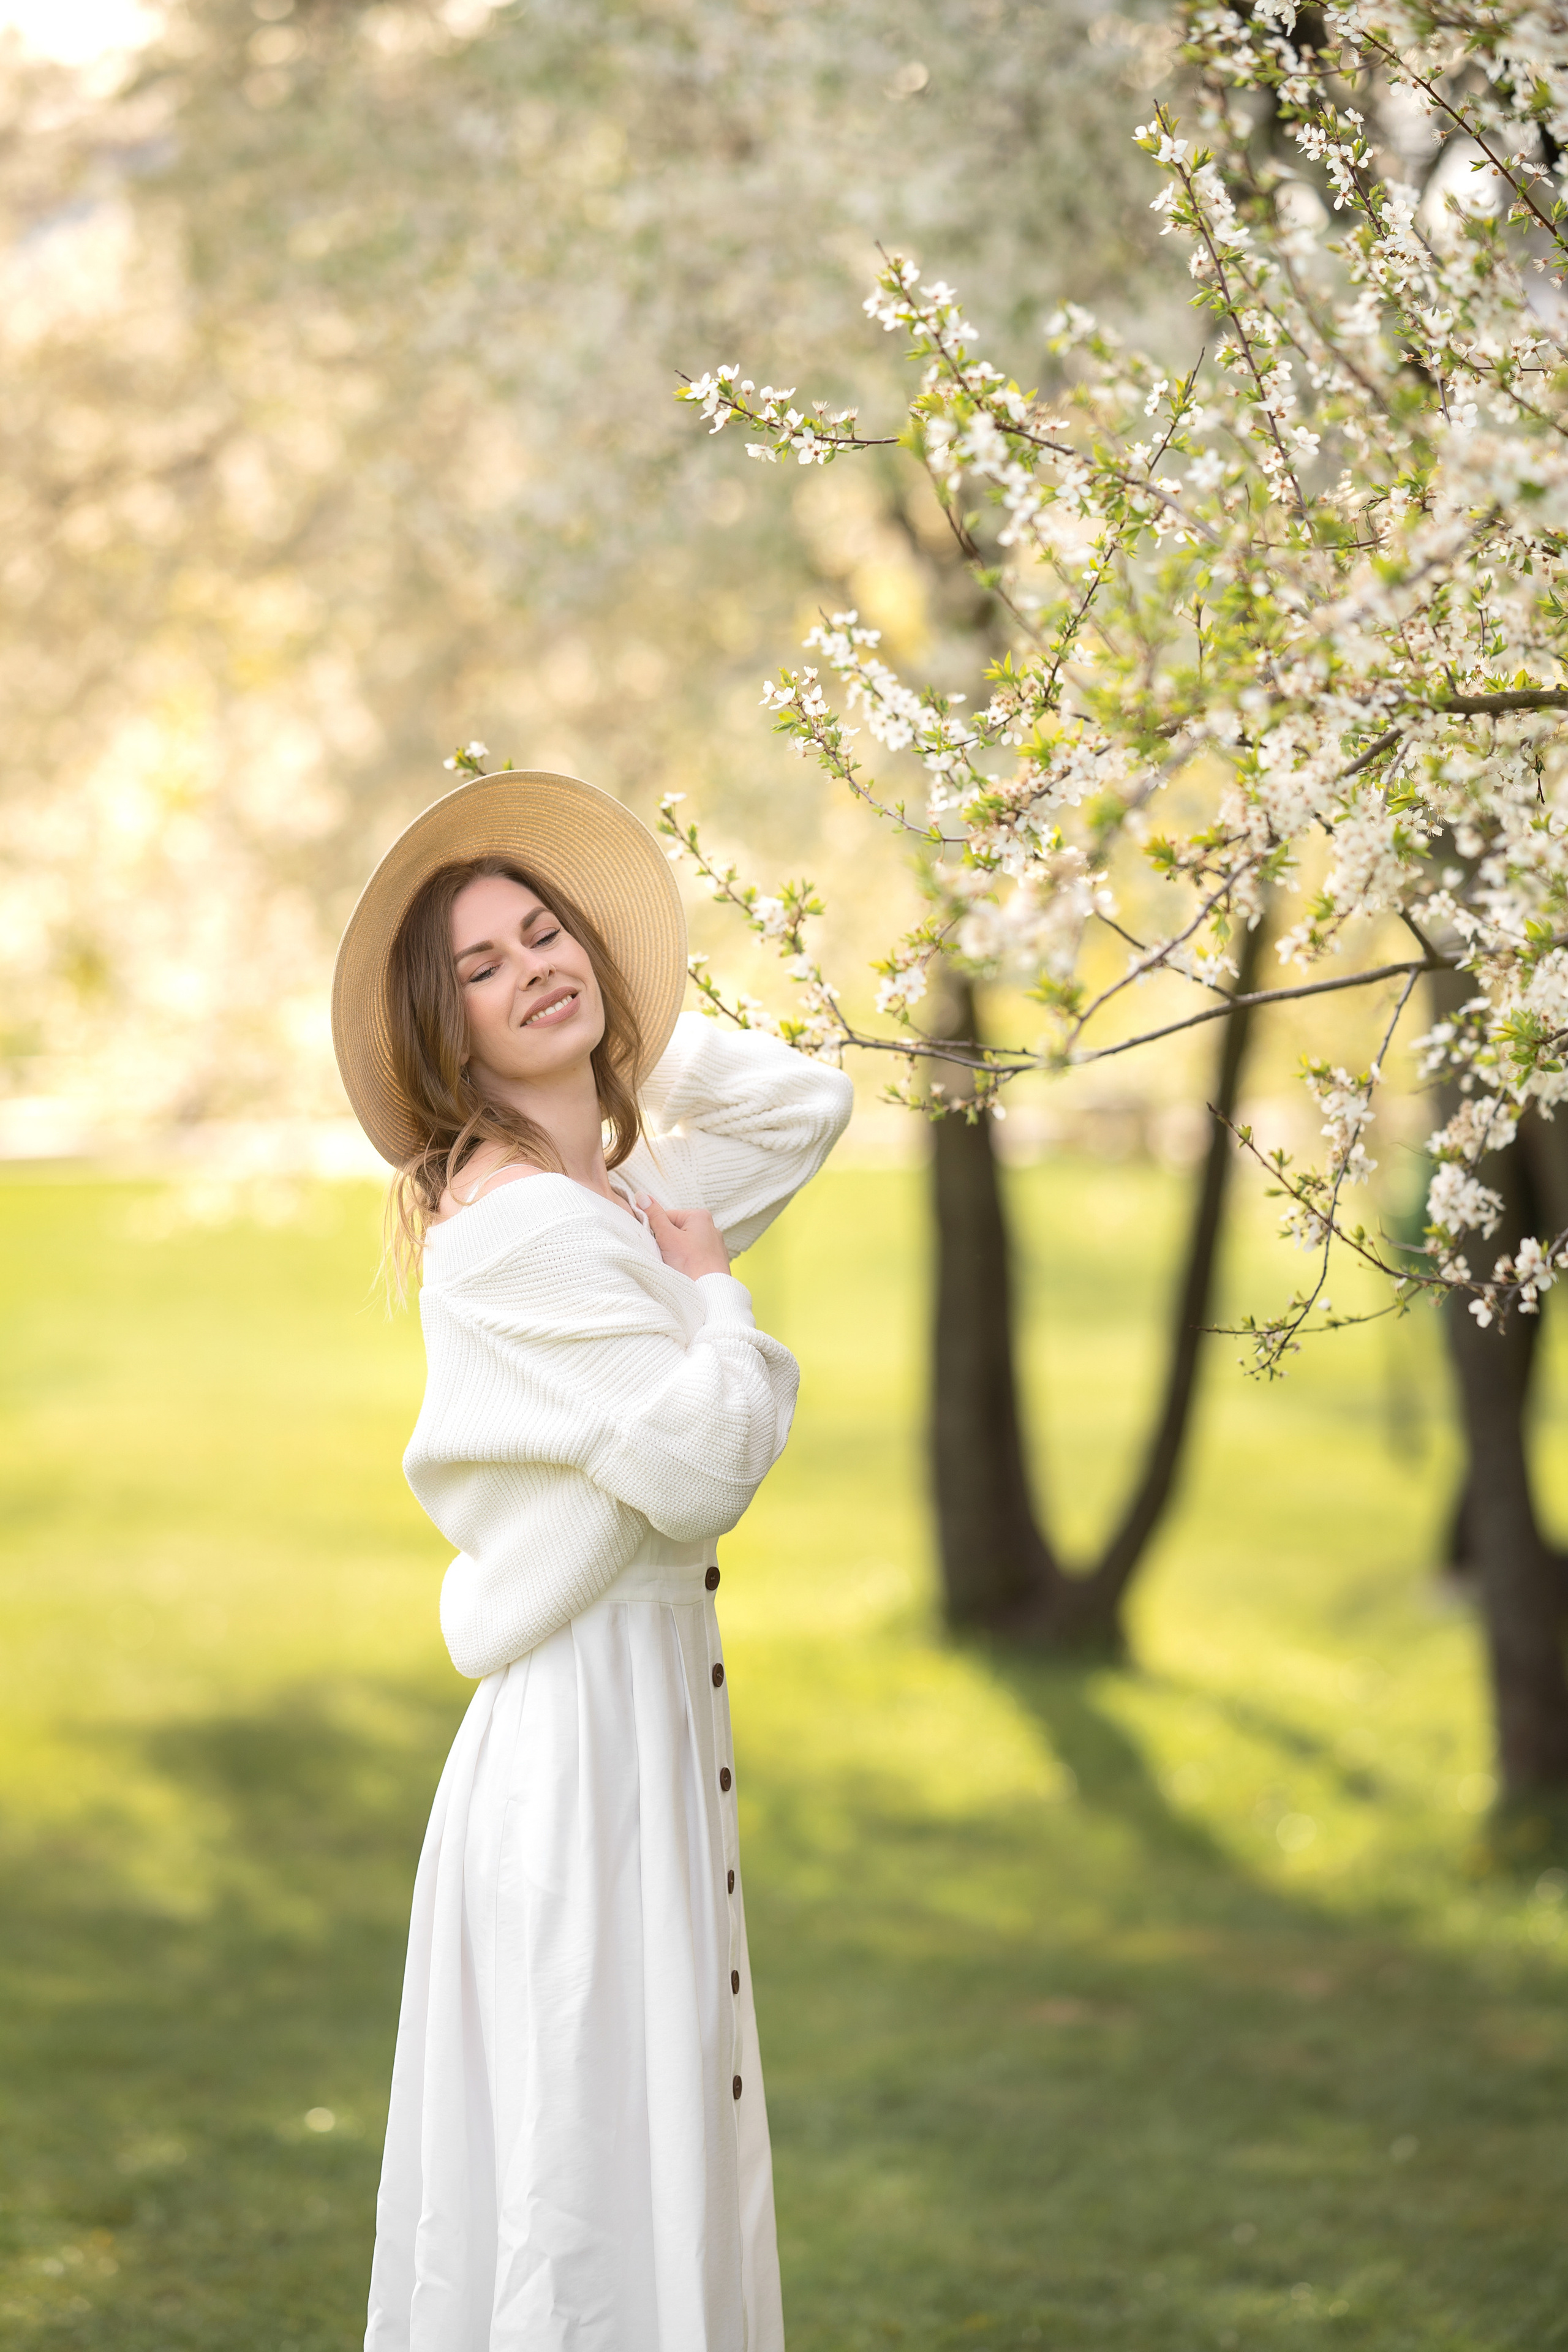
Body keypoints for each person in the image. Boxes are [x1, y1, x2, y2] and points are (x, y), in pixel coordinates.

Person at [330, 765, 854, 2352]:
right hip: (581, 1745)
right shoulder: (528, 1233)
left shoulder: (621, 1193)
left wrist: (633, 1010)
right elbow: (700, 1473)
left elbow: (804, 1107)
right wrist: (719, 1305)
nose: (532, 973)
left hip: (642, 1718)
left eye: (548, 937)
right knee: (584, 2155)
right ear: (449, 1032)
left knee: (644, 2132)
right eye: (482, 970)